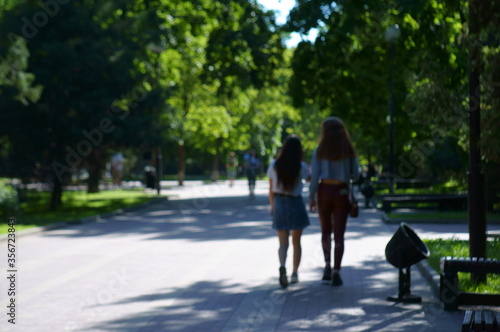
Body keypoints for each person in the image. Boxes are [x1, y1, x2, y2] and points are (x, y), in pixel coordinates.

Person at [309, 117, 360, 286]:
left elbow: (315, 176)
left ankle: (327, 266)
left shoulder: (319, 150)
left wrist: (311, 197)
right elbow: (357, 175)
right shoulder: (348, 150)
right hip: (342, 191)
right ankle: (337, 271)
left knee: (325, 231)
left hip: (324, 191)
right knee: (339, 234)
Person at [267, 136, 310, 288]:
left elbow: (271, 189)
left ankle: (283, 266)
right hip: (295, 203)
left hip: (279, 203)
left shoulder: (274, 165)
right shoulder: (301, 166)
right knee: (296, 241)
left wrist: (272, 206)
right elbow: (310, 179)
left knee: (282, 242)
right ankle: (295, 273)